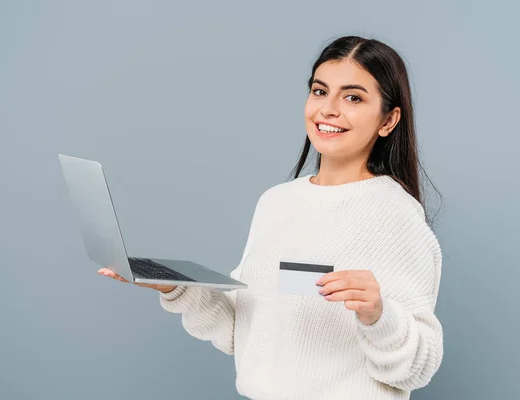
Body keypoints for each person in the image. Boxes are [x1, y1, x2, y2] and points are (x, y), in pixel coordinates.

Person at [99, 35, 444, 400]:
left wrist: (379, 314)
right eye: (319, 91)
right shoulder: (276, 202)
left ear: (388, 120)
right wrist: (174, 286)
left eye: (353, 97)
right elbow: (240, 330)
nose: (328, 109)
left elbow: (418, 368)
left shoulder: (396, 215)